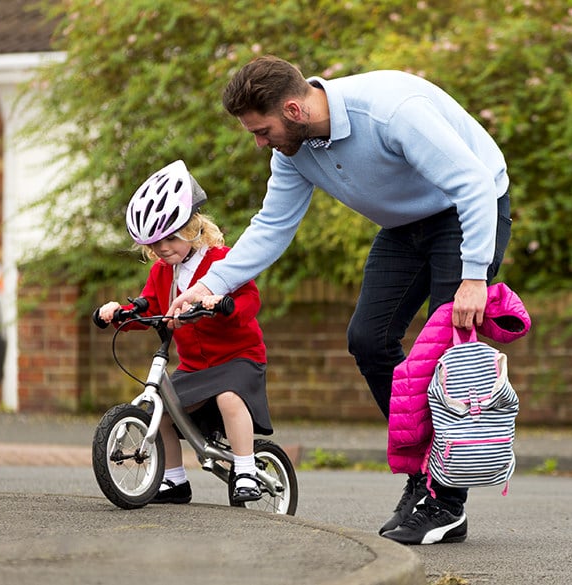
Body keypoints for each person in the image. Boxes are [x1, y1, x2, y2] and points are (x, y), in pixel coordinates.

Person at [167, 56, 512, 545]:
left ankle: (446, 501)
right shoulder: (293, 151)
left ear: (293, 109)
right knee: (368, 341)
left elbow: (474, 182)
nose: (260, 142)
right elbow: (273, 226)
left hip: (467, 212)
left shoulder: (393, 111)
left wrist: (473, 275)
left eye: (262, 130)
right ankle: (424, 472)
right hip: (402, 228)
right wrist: (210, 285)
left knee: (446, 357)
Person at [99, 159, 272, 505]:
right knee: (160, 405)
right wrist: (120, 312)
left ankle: (246, 468)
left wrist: (224, 304)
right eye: (155, 244)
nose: (163, 250)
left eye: (170, 239)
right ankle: (174, 480)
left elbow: (250, 300)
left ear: (193, 227)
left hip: (238, 358)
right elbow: (148, 304)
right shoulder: (164, 272)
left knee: (228, 397)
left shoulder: (222, 261)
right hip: (195, 366)